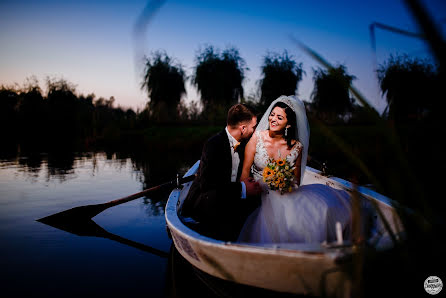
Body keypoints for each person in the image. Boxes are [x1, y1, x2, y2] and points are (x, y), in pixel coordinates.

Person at [237, 95, 353, 244]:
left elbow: (296, 181)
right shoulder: (257, 138)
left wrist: (283, 182)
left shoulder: (297, 147)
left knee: (318, 210)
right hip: (259, 189)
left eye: (279, 117)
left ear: (288, 124)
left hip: (285, 192)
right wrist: (251, 189)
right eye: (272, 114)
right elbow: (244, 173)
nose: (273, 119)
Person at [181, 103, 263, 241]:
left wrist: (246, 182)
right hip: (207, 203)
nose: (255, 131)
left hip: (230, 199)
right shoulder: (213, 145)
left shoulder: (246, 145)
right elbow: (207, 186)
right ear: (243, 128)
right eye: (253, 127)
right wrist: (243, 188)